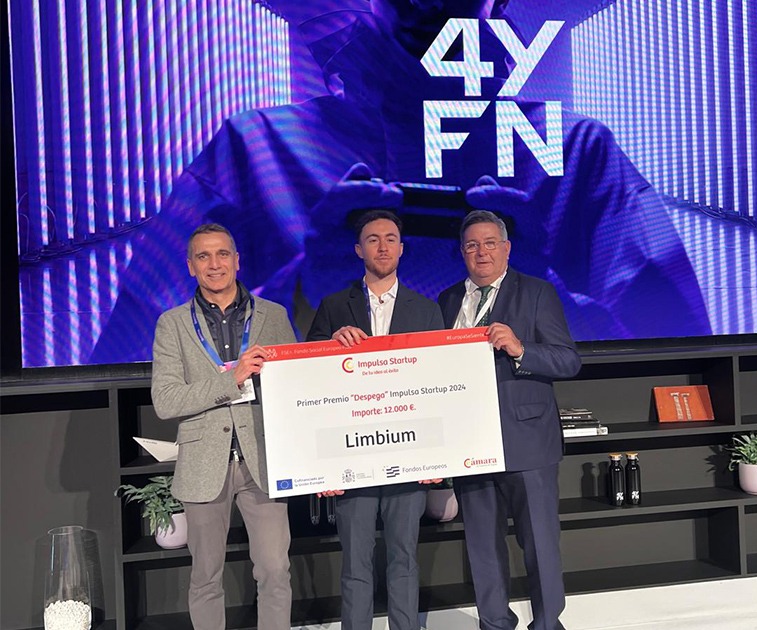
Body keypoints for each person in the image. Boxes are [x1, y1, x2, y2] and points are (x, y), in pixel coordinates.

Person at [90, 0, 710, 364]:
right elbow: (139, 362)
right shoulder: (252, 152)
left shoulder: (579, 158)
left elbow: (680, 360)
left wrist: (538, 297)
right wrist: (304, 294)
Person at [438, 210, 581, 630]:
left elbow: (568, 360)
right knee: (482, 548)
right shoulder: (447, 300)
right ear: (462, 252)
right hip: (470, 444)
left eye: (489, 243)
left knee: (539, 545)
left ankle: (547, 624)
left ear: (506, 248)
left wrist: (521, 350)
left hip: (528, 442)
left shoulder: (536, 292)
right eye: (471, 245)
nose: (481, 252)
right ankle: (495, 623)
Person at [150, 223, 297, 630]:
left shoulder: (273, 315)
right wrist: (232, 380)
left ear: (237, 260)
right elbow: (166, 400)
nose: (214, 264)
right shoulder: (172, 324)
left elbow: (293, 389)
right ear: (191, 266)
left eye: (222, 254)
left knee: (275, 571)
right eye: (203, 256)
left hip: (262, 460)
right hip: (203, 464)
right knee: (206, 576)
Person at [306, 209, 445, 630]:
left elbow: (440, 386)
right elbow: (307, 381)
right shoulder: (334, 307)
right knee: (356, 562)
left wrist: (437, 457)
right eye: (372, 239)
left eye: (390, 239)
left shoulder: (427, 310)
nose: (382, 247)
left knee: (404, 557)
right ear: (358, 250)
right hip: (353, 455)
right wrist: (329, 346)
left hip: (409, 453)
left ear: (402, 249)